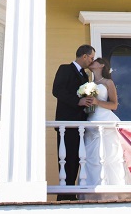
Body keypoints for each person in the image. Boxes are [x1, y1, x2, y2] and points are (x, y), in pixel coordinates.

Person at [79, 57, 131, 201]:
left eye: (95, 61)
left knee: (110, 155)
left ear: (102, 65)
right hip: (92, 120)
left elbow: (114, 105)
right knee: (93, 156)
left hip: (105, 119)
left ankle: (115, 191)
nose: (92, 63)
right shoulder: (89, 83)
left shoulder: (108, 82)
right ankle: (94, 191)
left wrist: (97, 101)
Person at [52, 44, 96, 200]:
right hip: (67, 123)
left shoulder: (85, 76)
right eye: (91, 58)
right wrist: (78, 102)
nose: (91, 61)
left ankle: (72, 194)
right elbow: (57, 90)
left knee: (77, 160)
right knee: (67, 159)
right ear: (84, 56)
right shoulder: (65, 69)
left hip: (81, 126)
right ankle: (64, 196)